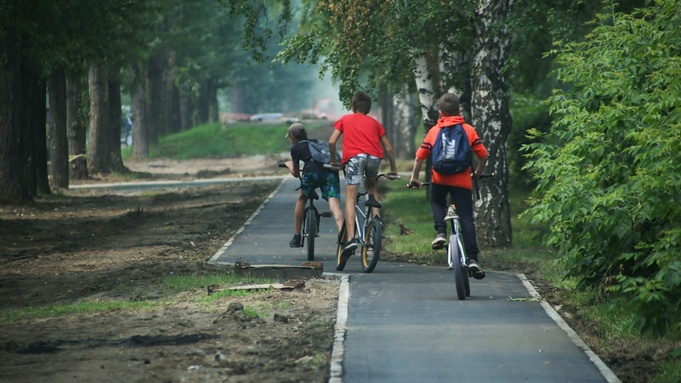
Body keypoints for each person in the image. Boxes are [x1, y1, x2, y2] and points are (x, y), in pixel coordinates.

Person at [408, 93, 488, 279]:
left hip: (440, 180)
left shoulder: (434, 131)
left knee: (437, 201)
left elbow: (420, 157)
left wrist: (414, 178)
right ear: (459, 110)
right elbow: (483, 156)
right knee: (466, 218)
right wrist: (476, 173)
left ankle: (441, 232)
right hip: (462, 183)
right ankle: (473, 259)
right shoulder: (468, 130)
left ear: (440, 113)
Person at [328, 91, 398, 263]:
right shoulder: (375, 123)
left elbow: (331, 141)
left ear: (353, 107)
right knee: (371, 186)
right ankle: (376, 219)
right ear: (368, 109)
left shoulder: (345, 119)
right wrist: (394, 169)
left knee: (350, 198)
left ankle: (351, 239)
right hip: (374, 158)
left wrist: (333, 161)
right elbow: (389, 148)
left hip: (355, 158)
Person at [284, 123, 344, 247]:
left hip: (312, 173)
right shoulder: (318, 143)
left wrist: (288, 164)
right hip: (329, 172)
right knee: (334, 203)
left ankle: (296, 236)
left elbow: (296, 173)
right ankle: (343, 235)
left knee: (301, 199)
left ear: (293, 137)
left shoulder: (296, 148)